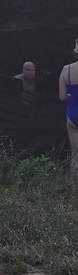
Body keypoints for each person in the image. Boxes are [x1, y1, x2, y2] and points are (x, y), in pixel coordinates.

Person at [59, 40, 78, 179]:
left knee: (75, 155)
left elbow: (62, 97)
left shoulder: (66, 70)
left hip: (73, 114)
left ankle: (72, 188)